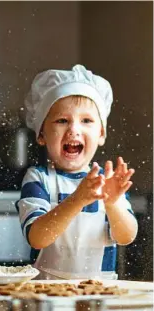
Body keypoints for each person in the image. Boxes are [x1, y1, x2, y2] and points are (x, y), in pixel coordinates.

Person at [17, 64, 138, 280]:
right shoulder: (38, 179)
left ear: (101, 134)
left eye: (87, 121)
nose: (74, 129)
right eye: (62, 120)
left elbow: (126, 236)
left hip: (99, 294)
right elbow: (37, 237)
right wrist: (77, 200)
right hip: (46, 293)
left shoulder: (108, 182)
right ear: (41, 134)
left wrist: (112, 203)